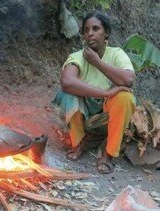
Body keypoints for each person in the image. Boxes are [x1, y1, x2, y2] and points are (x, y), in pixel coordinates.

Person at [53, 12, 136, 173]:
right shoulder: (77, 57)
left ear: (106, 33)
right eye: (86, 30)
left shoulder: (116, 54)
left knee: (125, 97)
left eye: (96, 28)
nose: (90, 33)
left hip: (108, 119)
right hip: (84, 117)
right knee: (66, 94)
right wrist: (105, 93)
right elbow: (67, 82)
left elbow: (128, 80)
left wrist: (97, 62)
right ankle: (79, 142)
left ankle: (109, 154)